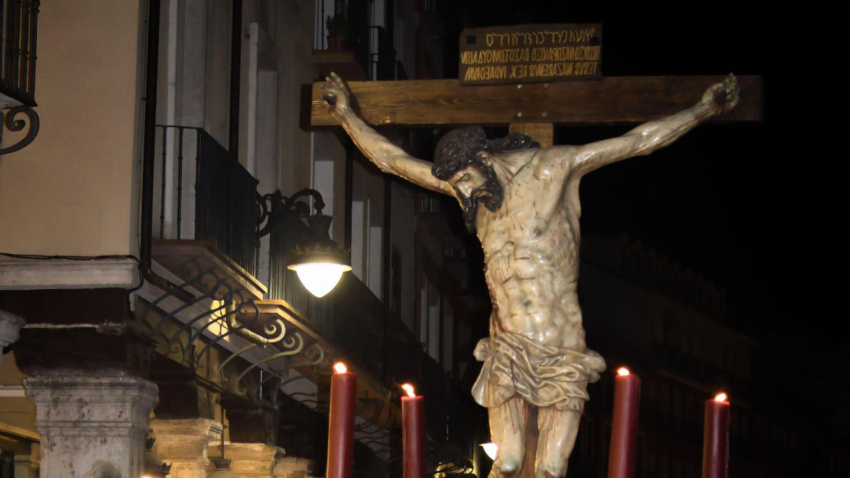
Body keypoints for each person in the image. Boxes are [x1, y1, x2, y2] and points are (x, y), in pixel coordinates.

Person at [321, 72, 738, 477]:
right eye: (456, 184)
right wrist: (346, 115)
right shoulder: (467, 187)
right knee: (505, 464)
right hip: (508, 345)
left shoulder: (552, 169)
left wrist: (702, 110)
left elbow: (638, 142)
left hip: (560, 348)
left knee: (552, 470)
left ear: (483, 159)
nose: (462, 192)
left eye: (465, 179)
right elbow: (392, 160)